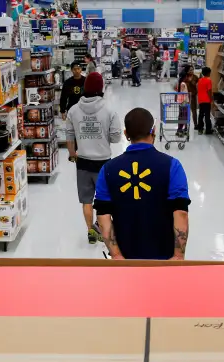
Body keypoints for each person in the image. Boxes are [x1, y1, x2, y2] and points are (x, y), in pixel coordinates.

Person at [94, 108, 191, 260]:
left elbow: (103, 217)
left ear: (126, 134)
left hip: (126, 258)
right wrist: (178, 256)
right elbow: (181, 213)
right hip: (163, 257)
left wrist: (117, 255)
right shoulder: (172, 166)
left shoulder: (107, 169)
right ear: (153, 131)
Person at [65, 72, 121, 244]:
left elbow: (69, 135)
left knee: (86, 200)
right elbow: (116, 137)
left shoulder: (73, 110)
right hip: (103, 163)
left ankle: (91, 231)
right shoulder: (109, 110)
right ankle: (104, 231)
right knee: (104, 200)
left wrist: (73, 154)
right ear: (101, 88)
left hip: (82, 162)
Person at [180, 65, 199, 131]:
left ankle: (196, 125)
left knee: (194, 111)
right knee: (185, 112)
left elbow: (196, 85)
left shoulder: (196, 77)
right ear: (187, 70)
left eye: (192, 70)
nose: (192, 71)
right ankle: (185, 126)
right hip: (185, 97)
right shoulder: (184, 77)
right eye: (190, 70)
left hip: (193, 96)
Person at [197, 66, 213, 134]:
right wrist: (211, 98)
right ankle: (208, 130)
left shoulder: (200, 80)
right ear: (209, 73)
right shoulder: (209, 80)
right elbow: (209, 91)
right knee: (207, 115)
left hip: (200, 99)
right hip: (207, 100)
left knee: (201, 114)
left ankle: (200, 128)